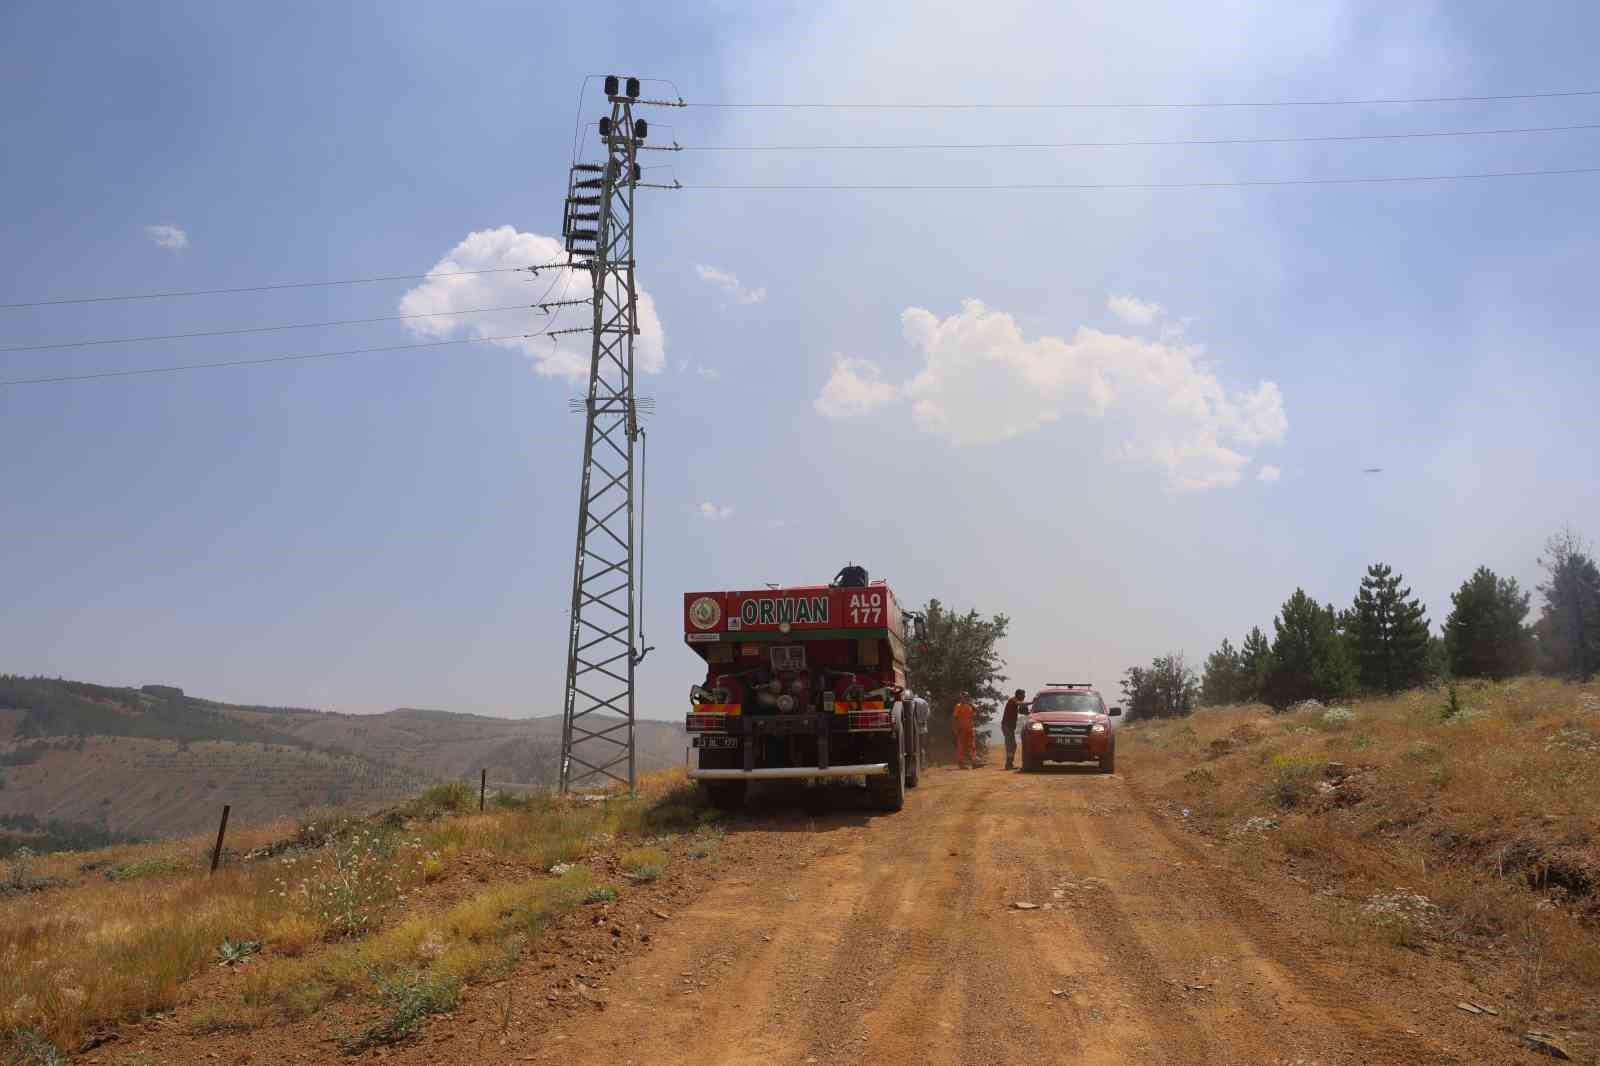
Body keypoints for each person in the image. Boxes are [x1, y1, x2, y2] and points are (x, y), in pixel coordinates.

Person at [1001, 688, 1027, 770]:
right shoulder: (1013, 700)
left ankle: (1009, 764)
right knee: (1010, 745)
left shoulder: (1014, 703)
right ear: (1018, 695)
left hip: (1009, 727)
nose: (1024, 697)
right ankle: (1008, 765)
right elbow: (1019, 703)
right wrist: (1033, 702)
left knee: (1012, 745)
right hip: (1007, 726)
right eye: (1023, 695)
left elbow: (1022, 711)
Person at [952, 693, 977, 769]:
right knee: (961, 746)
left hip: (970, 728)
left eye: (966, 697)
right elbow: (955, 718)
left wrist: (972, 704)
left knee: (972, 745)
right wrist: (955, 728)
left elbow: (975, 713)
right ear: (961, 698)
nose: (965, 698)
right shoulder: (958, 706)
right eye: (963, 697)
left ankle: (974, 762)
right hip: (961, 729)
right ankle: (961, 763)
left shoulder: (970, 706)